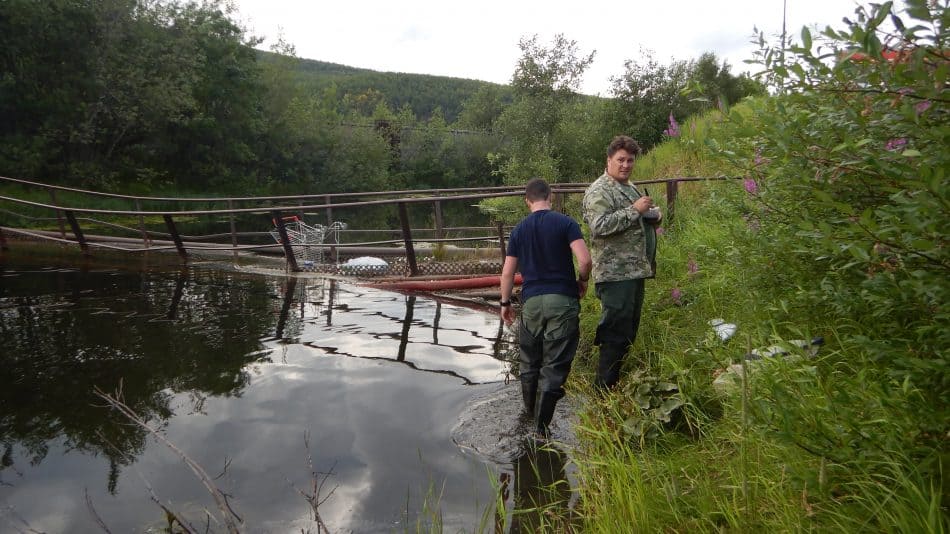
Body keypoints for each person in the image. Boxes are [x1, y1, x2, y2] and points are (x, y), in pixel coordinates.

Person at [500, 178, 592, 437]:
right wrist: (582, 282)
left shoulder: (519, 230)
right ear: (549, 197)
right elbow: (585, 260)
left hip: (531, 303)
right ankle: (540, 430)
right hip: (562, 300)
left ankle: (529, 415)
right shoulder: (565, 223)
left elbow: (507, 273)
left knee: (529, 363)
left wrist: (505, 303)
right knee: (554, 366)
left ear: (527, 200)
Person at [582, 135, 661, 390]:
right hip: (616, 276)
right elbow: (599, 226)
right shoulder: (600, 190)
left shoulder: (629, 186)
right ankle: (602, 390)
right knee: (615, 333)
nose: (626, 165)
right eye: (621, 160)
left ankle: (612, 385)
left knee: (627, 332)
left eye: (630, 160)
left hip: (635, 271)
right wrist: (635, 210)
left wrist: (650, 217)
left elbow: (633, 218)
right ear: (609, 160)